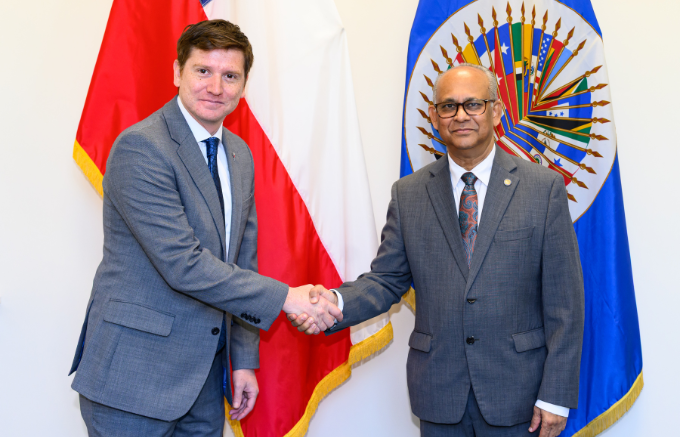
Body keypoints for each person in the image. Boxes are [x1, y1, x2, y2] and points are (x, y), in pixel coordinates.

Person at [69, 19, 341, 437]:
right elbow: (184, 264)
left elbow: (242, 260)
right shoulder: (141, 147)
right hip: (133, 380)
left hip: (205, 381)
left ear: (244, 85)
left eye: (230, 76)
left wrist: (243, 361)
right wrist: (288, 297)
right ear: (177, 72)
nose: (216, 87)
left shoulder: (239, 154)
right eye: (203, 71)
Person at [290, 64, 584, 437]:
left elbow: (565, 303)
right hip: (440, 394)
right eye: (448, 106)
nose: (460, 116)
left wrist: (555, 396)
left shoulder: (543, 189)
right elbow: (386, 281)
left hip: (519, 395)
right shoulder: (409, 193)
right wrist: (334, 302)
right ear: (434, 116)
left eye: (473, 104)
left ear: (496, 111)